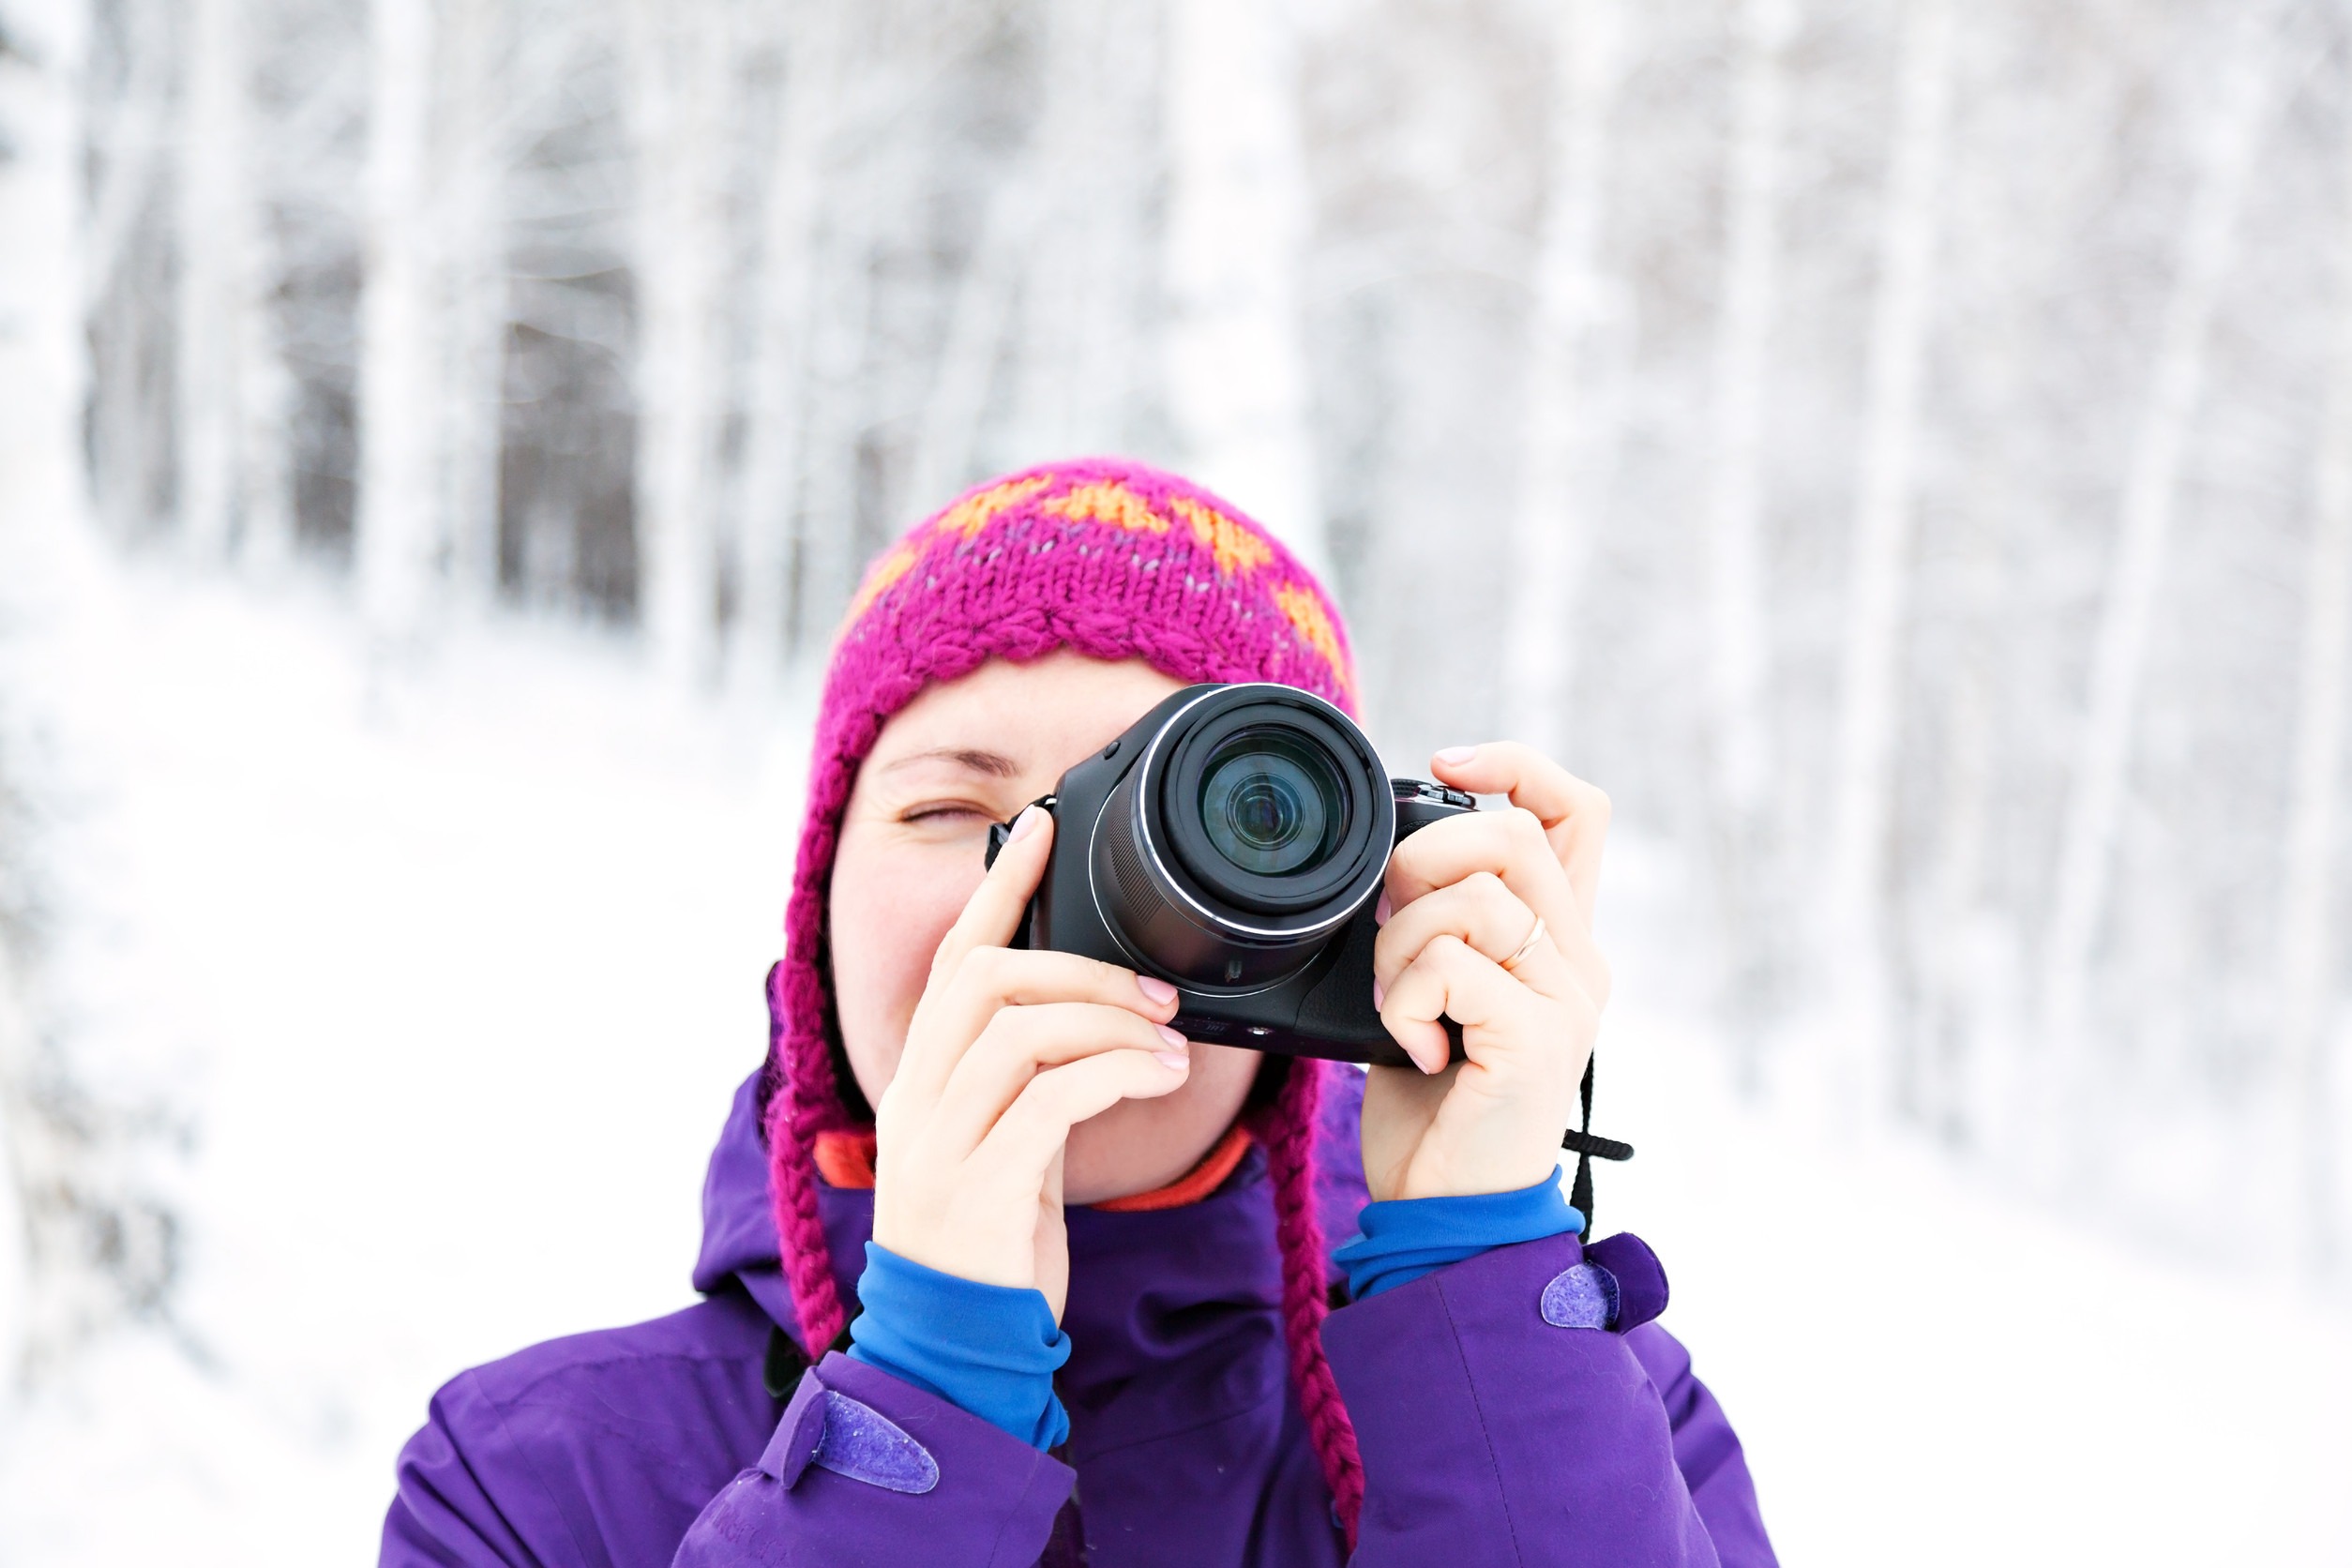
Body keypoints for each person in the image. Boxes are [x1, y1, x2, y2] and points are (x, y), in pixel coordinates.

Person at [381, 458, 1775, 1567]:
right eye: (954, 809)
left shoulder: (1603, 1419)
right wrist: (923, 1394)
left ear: (1345, 903)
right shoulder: (529, 1485)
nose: (1048, 893)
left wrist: (1478, 1281)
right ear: (815, 909)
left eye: (1174, 825)